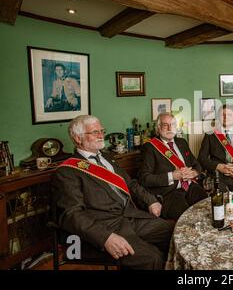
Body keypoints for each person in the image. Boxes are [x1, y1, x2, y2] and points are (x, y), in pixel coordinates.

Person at [51, 115, 173, 270]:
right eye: (95, 132)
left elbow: (131, 184)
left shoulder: (108, 158)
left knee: (171, 233)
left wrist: (150, 200)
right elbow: (72, 214)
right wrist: (105, 238)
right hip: (106, 227)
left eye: (102, 130)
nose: (101, 135)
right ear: (78, 138)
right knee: (152, 258)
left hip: (130, 217)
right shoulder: (67, 172)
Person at [138, 112, 207, 220]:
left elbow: (196, 164)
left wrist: (194, 172)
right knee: (187, 219)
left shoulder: (182, 142)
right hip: (169, 193)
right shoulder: (149, 148)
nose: (170, 128)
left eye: (173, 124)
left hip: (191, 186)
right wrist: (172, 176)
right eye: (165, 125)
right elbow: (144, 178)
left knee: (208, 207)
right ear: (158, 129)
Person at [198, 104, 233, 191]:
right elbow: (202, 158)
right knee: (221, 201)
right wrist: (219, 166)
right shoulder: (210, 135)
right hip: (218, 177)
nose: (225, 117)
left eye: (229, 115)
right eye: (223, 115)